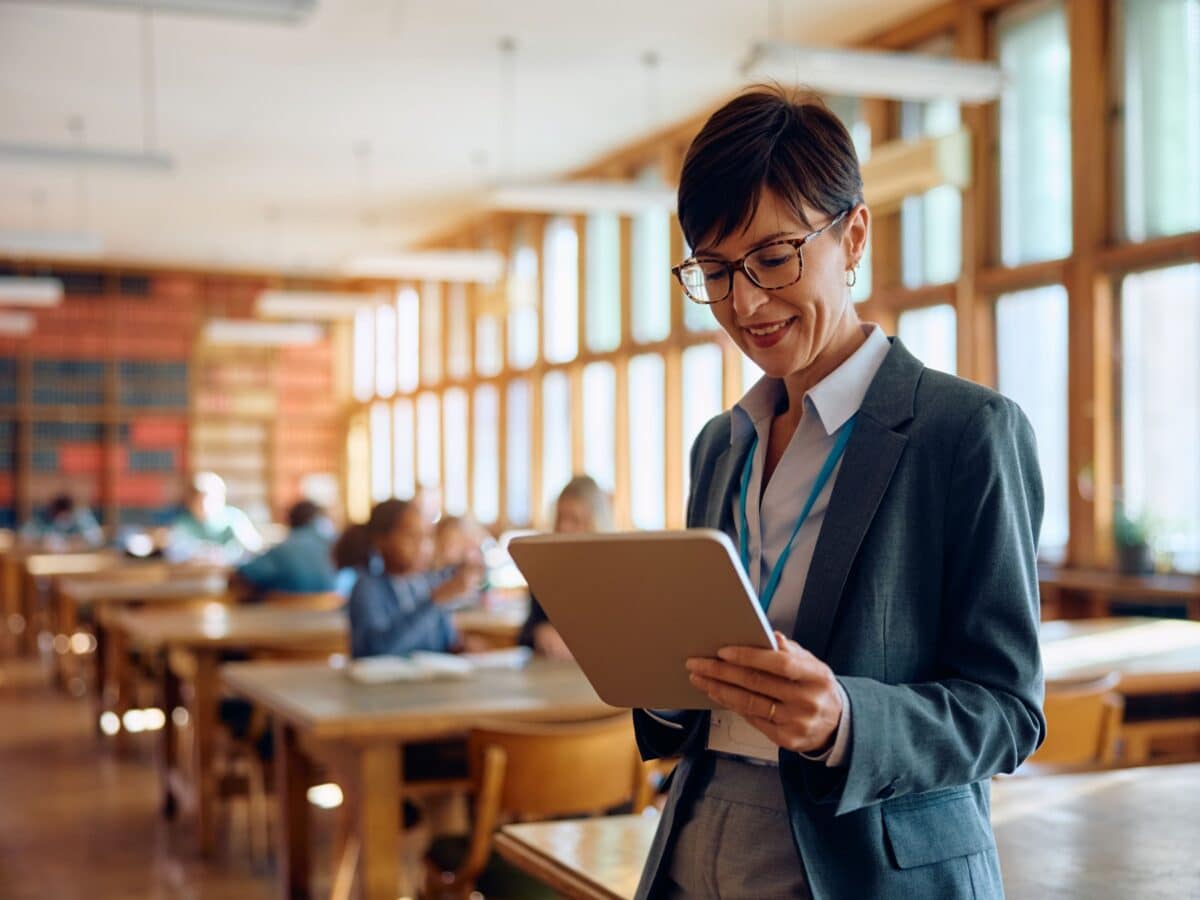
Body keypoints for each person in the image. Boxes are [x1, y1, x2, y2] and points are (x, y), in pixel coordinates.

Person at [632, 87, 1045, 900]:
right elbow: (695, 696)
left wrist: (846, 722)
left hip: (862, 864)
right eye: (713, 271)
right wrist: (652, 670)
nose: (745, 302)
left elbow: (1008, 710)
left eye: (774, 258)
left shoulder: (965, 432)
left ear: (853, 234)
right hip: (697, 844)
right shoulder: (721, 445)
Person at [347, 498, 482, 658]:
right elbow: (378, 650)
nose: (423, 547)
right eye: (411, 537)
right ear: (381, 540)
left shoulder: (427, 582)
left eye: (427, 537)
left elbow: (444, 644)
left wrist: (462, 647)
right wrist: (433, 602)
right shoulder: (368, 587)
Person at [518, 475, 612, 660]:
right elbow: (524, 634)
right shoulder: (544, 572)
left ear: (595, 522)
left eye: (574, 520)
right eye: (560, 518)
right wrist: (539, 632)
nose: (564, 527)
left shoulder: (613, 574)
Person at [232, 500, 336, 600]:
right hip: (330, 613)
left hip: (288, 613)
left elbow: (245, 574)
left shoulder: (284, 549)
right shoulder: (332, 544)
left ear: (289, 520)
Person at [165, 472, 262, 564]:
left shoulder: (235, 518)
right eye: (199, 500)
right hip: (195, 576)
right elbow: (173, 552)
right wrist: (199, 554)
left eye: (210, 499)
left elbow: (253, 548)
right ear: (190, 502)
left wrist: (225, 555)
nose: (204, 505)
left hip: (233, 576)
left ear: (221, 499)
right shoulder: (184, 522)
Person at [19, 493, 104, 548]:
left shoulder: (81, 517)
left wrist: (74, 542)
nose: (62, 520)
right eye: (59, 516)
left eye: (65, 517)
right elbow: (25, 535)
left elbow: (96, 538)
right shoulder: (43, 517)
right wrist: (41, 541)